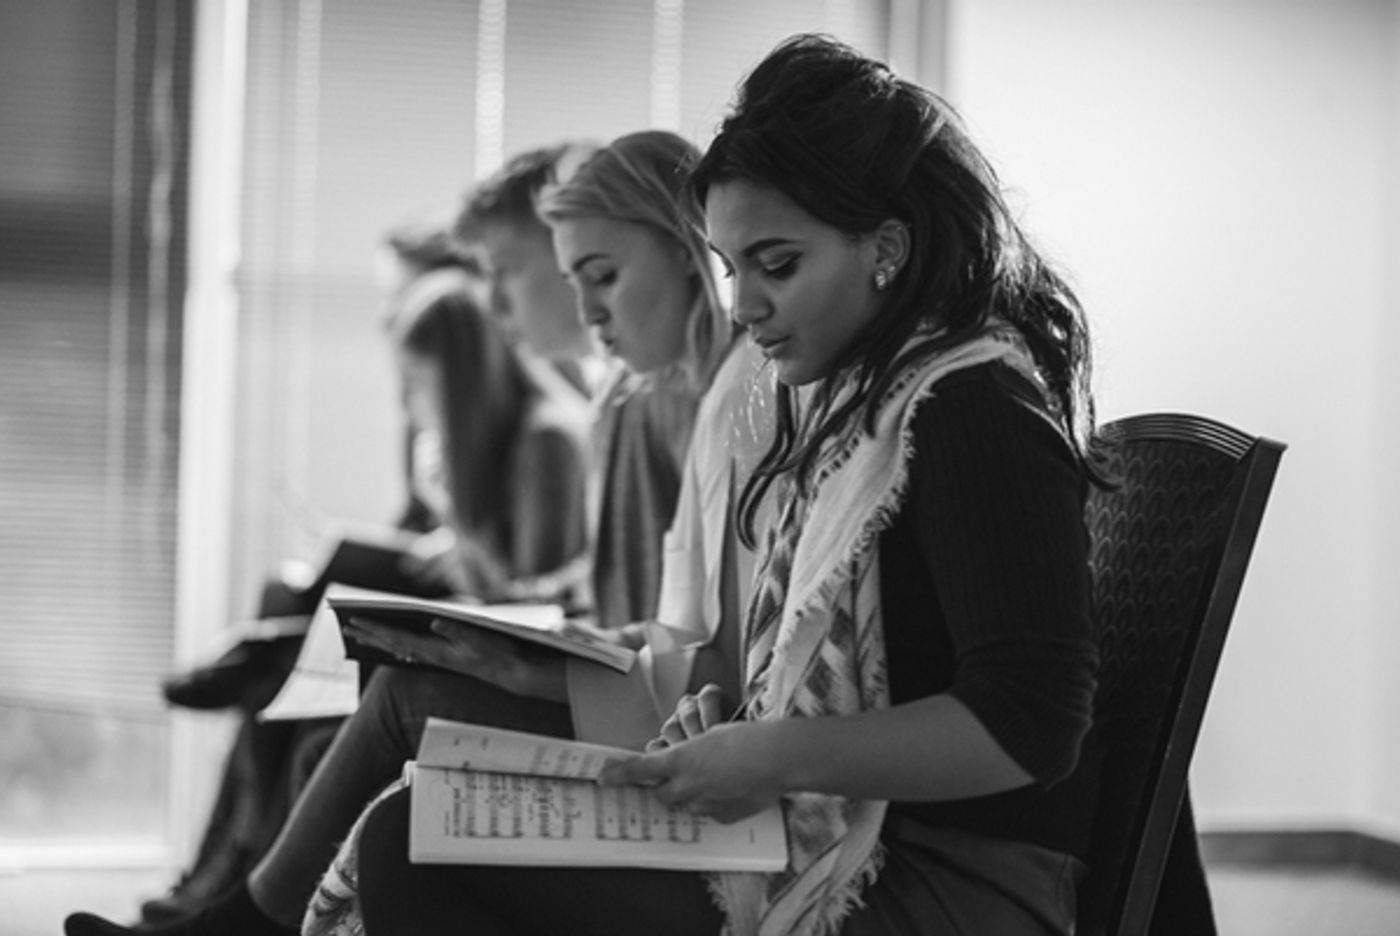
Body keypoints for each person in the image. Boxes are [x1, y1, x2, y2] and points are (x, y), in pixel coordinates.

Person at [348, 34, 1104, 936]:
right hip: (850, 834)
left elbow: (1030, 723)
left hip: (945, 878)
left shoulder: (973, 409)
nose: (743, 306)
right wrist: (736, 726)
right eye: (731, 267)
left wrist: (773, 752)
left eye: (777, 265)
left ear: (887, 248)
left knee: (413, 840)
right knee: (425, 818)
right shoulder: (858, 406)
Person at [62, 135, 737, 936]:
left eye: (596, 276)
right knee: (330, 686)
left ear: (686, 250)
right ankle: (215, 898)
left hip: (652, 709)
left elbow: (672, 630)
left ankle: (231, 918)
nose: (503, 303)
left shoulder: (673, 407)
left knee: (392, 704)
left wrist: (536, 646)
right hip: (629, 679)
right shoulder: (652, 394)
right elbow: (648, 611)